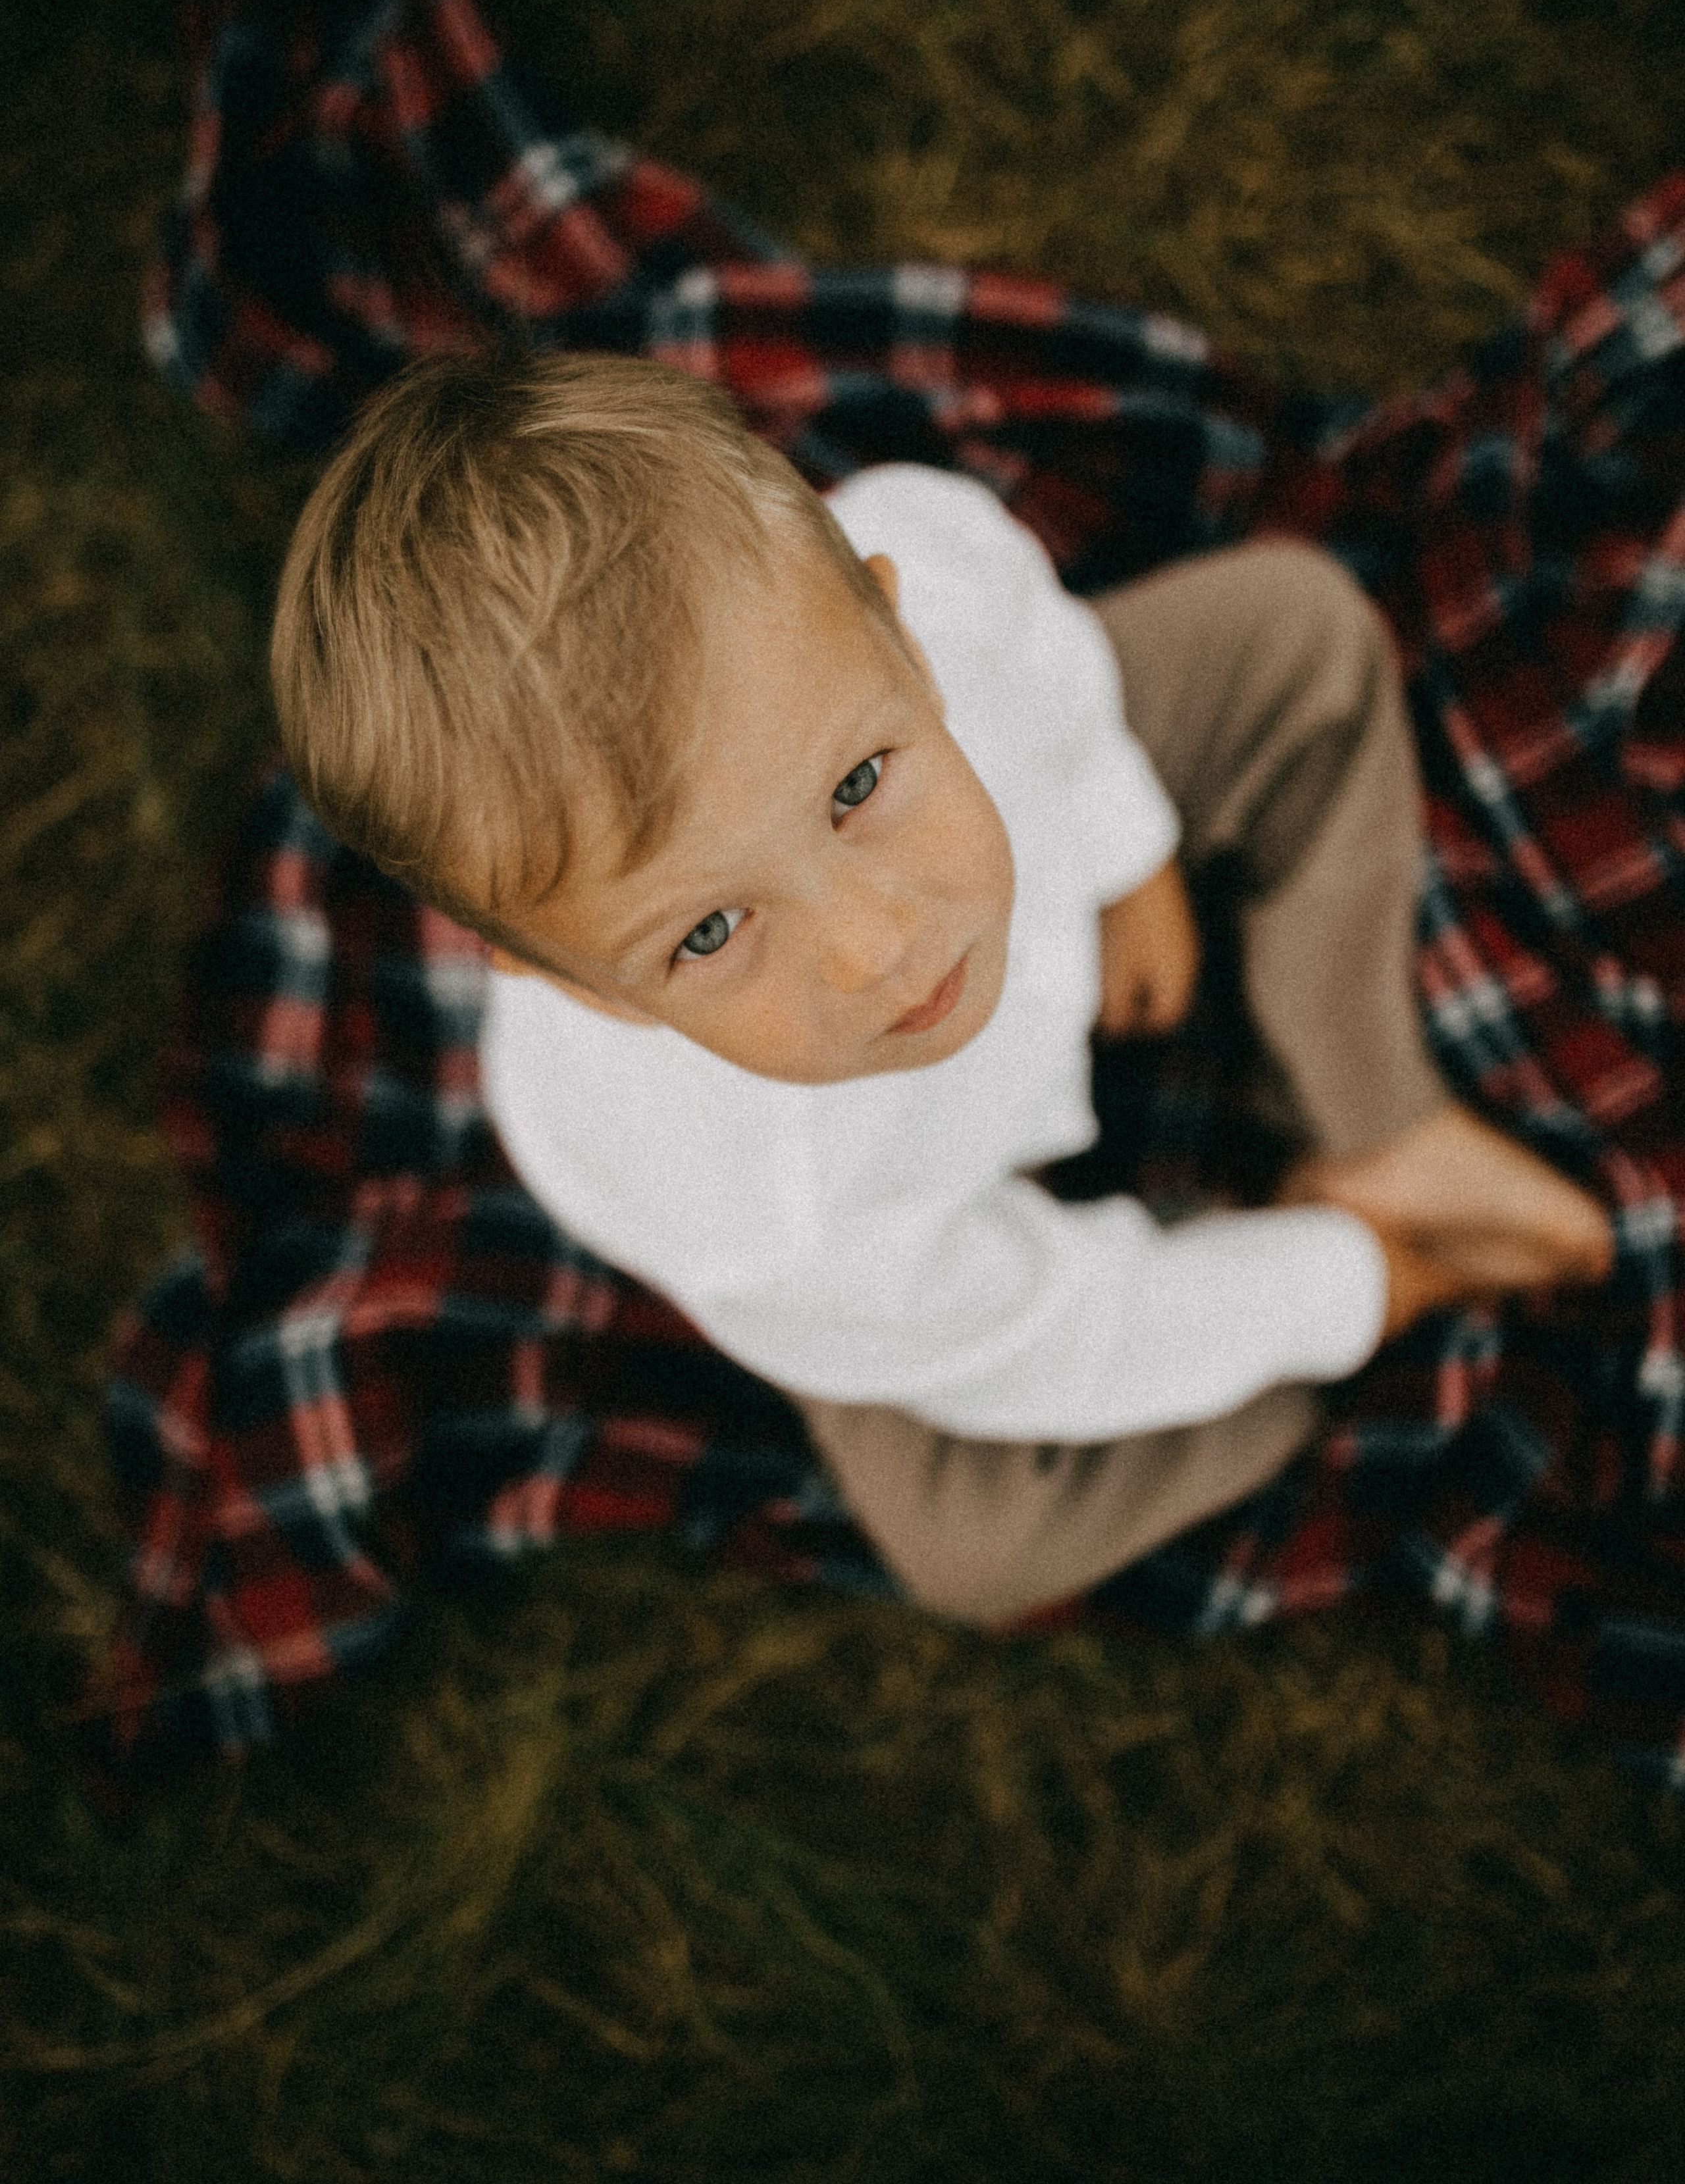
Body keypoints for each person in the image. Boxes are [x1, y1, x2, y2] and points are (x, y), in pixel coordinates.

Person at [268, 349, 1612, 1634]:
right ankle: (1340, 1256)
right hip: (916, 1264)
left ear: (898, 637)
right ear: (584, 986)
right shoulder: (778, 1220)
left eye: (856, 790)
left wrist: (1117, 838)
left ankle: (1375, 1116)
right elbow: (1055, 1326)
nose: (882, 947)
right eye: (712, 930)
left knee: (1299, 628)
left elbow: (994, 587)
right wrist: (1350, 1283)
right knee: (978, 1544)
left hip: (1036, 869)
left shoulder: (918, 614)